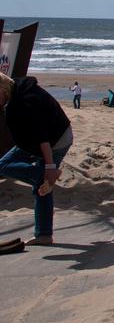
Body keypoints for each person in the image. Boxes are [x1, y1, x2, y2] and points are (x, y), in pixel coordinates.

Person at [0, 72, 74, 245]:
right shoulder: (15, 91)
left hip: (56, 140)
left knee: (42, 183)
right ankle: (41, 176)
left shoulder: (24, 102)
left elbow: (43, 137)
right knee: (3, 165)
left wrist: (49, 167)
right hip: (32, 142)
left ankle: (44, 235)